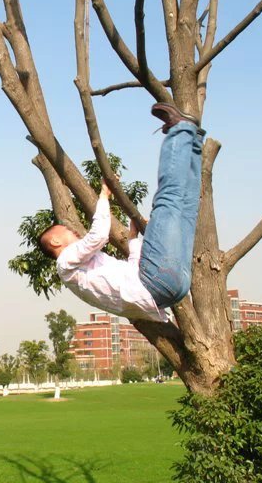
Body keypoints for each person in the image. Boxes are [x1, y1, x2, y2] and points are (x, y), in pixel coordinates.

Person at [38, 103, 205, 322]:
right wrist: (104, 195)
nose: (73, 231)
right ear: (56, 242)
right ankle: (180, 130)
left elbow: (129, 272)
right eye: (66, 230)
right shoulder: (65, 261)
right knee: (168, 201)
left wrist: (132, 238)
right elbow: (98, 236)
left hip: (173, 288)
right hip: (156, 281)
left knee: (185, 211)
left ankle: (192, 140)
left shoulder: (84, 269)